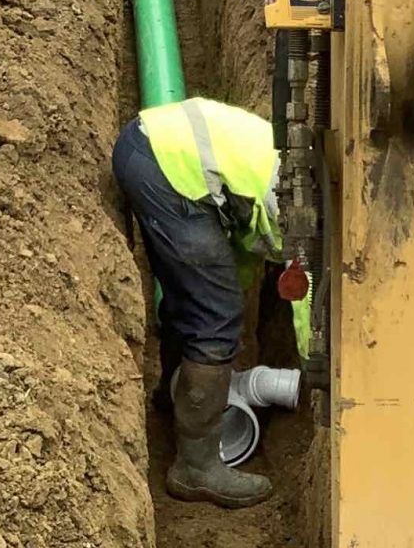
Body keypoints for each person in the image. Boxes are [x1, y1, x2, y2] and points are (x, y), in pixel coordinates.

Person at [112, 94, 302, 510]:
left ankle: (172, 393)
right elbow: (304, 309)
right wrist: (315, 366)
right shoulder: (306, 220)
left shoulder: (298, 173)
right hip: (168, 168)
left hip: (148, 143)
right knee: (214, 318)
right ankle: (196, 467)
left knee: (194, 293)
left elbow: (239, 257)